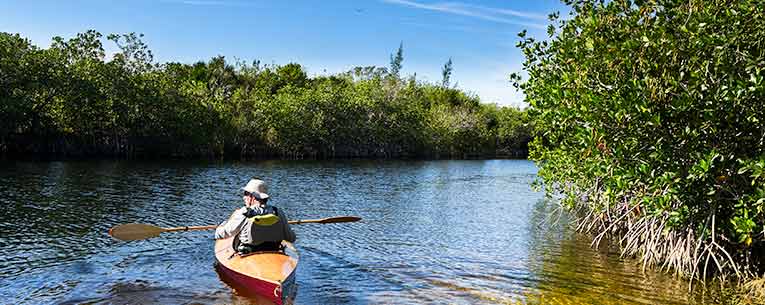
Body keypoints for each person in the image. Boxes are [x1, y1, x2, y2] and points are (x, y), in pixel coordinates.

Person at [215, 178, 296, 253]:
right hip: (273, 250)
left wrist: (219, 228)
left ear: (252, 197)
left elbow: (224, 233)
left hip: (249, 252)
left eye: (246, 194)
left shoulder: (245, 212)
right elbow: (291, 238)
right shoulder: (278, 212)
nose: (244, 197)